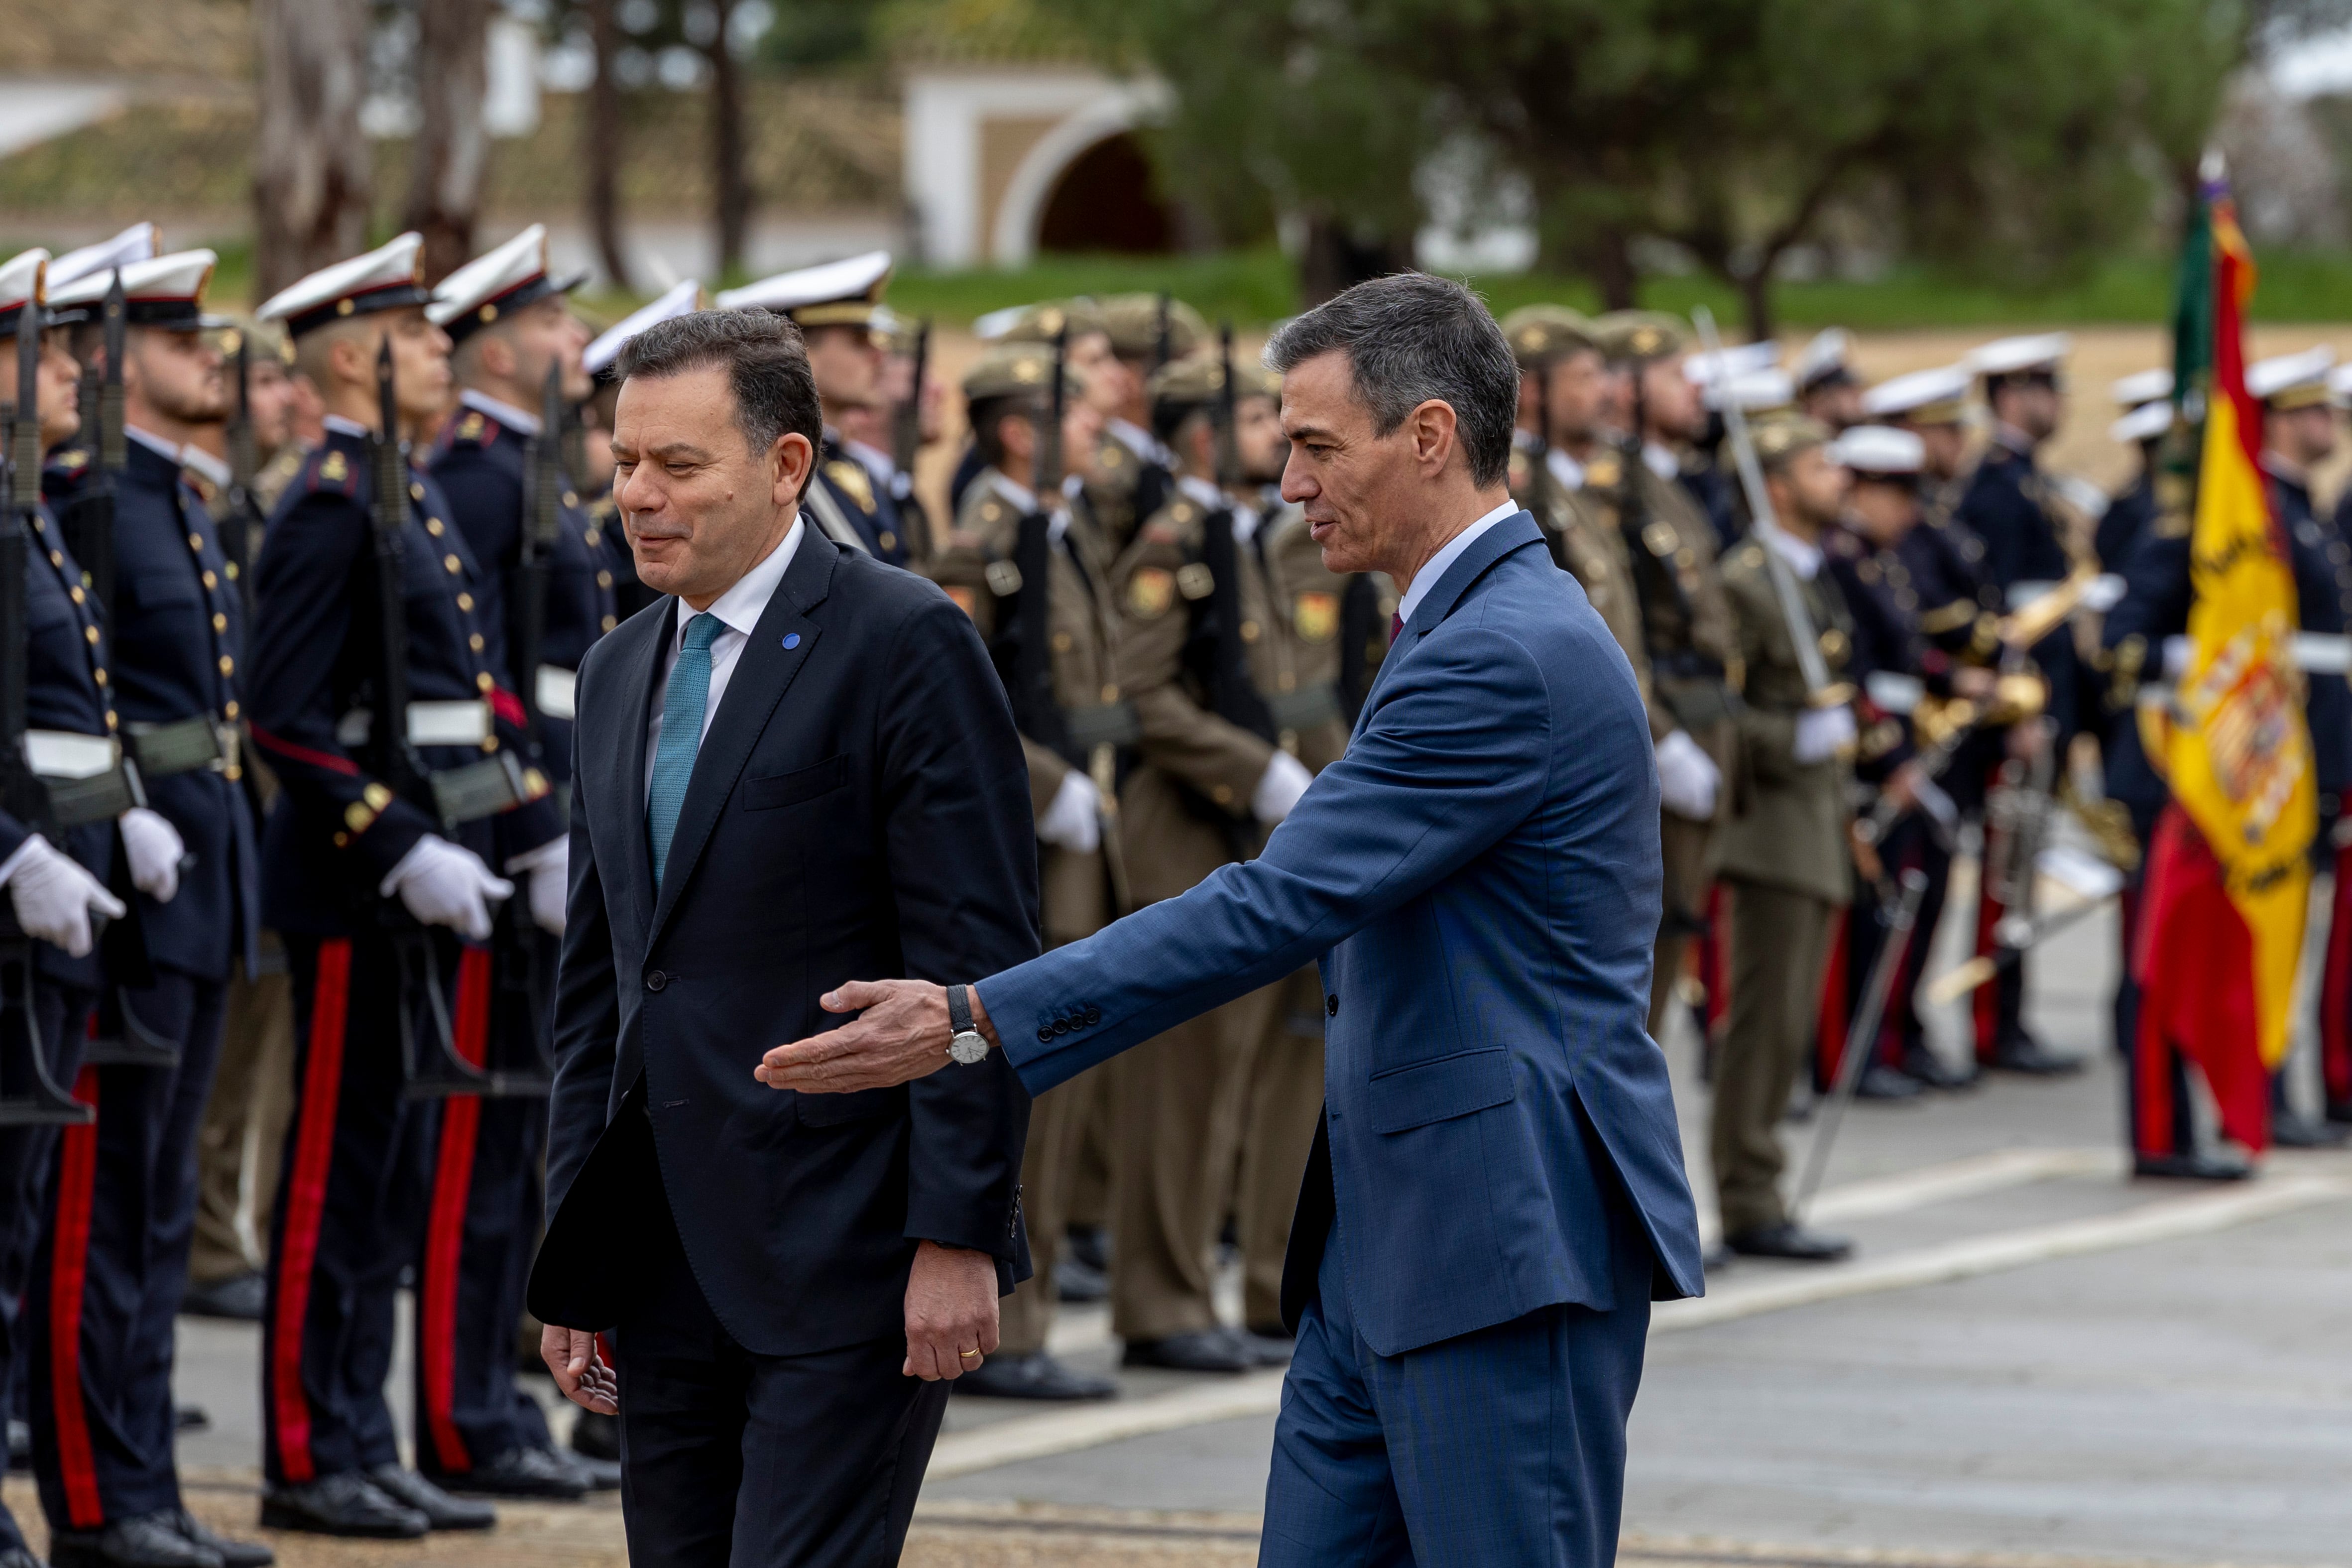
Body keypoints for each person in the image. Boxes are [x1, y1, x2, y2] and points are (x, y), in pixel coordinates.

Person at [758, 273, 1704, 1568]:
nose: (1289, 481)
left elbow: (1278, 898)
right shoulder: (1466, 625)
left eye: (1316, 445)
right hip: (1393, 1242)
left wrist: (979, 1016)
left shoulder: (1501, 649)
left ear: (1427, 436)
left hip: (1499, 1242)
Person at [526, 309, 1035, 1568]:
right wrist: (572, 1256)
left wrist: (958, 1232)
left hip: (845, 1250)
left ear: (787, 464)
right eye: (625, 461)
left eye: (678, 467)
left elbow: (975, 963)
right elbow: (599, 989)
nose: (636, 496)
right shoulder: (616, 667)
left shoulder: (902, 641)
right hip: (659, 1255)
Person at [247, 232, 567, 1539]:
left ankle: (361, 1435)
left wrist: (528, 816)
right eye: (420, 337)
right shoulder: (330, 500)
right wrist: (397, 842)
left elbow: (472, 687)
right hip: (347, 891)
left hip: (422, 883)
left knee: (377, 1184)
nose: (442, 351)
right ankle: (302, 1451)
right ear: (351, 357)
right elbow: (284, 717)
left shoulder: (404, 495)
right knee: (327, 1182)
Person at [31, 250, 271, 1568]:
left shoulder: (161, 499)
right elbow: (83, 709)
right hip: (113, 897)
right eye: (185, 344)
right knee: (98, 1217)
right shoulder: (88, 500)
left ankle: (148, 1487)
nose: (215, 365)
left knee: (157, 1210)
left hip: (191, 881)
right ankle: (93, 1496)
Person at [412, 225, 622, 1499]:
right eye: (553, 327)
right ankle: (457, 1409)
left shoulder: (528, 480)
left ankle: (487, 1410)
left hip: (536, 839)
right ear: (497, 342)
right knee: (470, 1156)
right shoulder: (481, 484)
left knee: (509, 1155)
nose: (575, 347)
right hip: (494, 852)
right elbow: (474, 696)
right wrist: (533, 822)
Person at [1083, 354, 1318, 1374]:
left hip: (1226, 831)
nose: (1279, 432)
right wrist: (1251, 770)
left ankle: (1198, 1287)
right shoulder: (1176, 537)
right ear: (1203, 434)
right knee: (1180, 1090)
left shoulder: (1228, 528)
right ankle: (1161, 1297)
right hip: (1178, 834)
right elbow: (1139, 693)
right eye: (1260, 416)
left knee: (1226, 1079)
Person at [919, 338, 1119, 1402]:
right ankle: (1016, 1321)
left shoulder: (1052, 528)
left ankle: (1031, 1316)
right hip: (1033, 834)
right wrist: (1051, 787)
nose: (1095, 429)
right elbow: (968, 698)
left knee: (1076, 1069)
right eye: (1076, 414)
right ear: (1017, 429)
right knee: (1032, 1062)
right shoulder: (985, 541)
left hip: (1087, 823)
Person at [0, 248, 156, 1568]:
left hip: (58, 911)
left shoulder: (32, 508)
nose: (72, 374)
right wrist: (13, 850)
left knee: (22, 1225)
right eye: (48, 355)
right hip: (18, 903)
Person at [1707, 415, 1861, 1263]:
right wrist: (1785, 737)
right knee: (1761, 1025)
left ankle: (1757, 1182)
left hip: (1811, 827)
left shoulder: (1803, 576)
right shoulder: (1747, 580)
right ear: (1773, 485)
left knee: (1787, 1024)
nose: (1834, 475)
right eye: (1815, 463)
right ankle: (1747, 1191)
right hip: (1768, 831)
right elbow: (1726, 710)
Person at [184, 319, 302, 1327]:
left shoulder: (247, 506)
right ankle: (209, 1237)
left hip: (254, 815)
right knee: (217, 1055)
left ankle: (220, 1228)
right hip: (221, 816)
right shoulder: (215, 508)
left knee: (252, 1046)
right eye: (260, 380)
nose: (274, 400)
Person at [1589, 312, 1741, 1041]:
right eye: (1676, 374)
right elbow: (1620, 638)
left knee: (1676, 945)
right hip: (1660, 725)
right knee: (1641, 970)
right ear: (1626, 388)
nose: (1697, 389)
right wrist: (1663, 738)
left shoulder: (1670, 485)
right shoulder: (1614, 492)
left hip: (1701, 719)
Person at [1817, 425, 1962, 1101]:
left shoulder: (1879, 560)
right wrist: (1895, 760)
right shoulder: (1841, 563)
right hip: (1870, 763)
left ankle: (1887, 1041)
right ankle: (1852, 1054)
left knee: (1897, 909)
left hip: (1899, 745)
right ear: (1859, 490)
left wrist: (1956, 679)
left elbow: (1906, 655)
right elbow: (1856, 673)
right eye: (1896, 493)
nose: (1909, 509)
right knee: (1865, 916)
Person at [1955, 334, 2083, 1077]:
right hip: (2015, 717)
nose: (2058, 402)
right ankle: (1992, 1022)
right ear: (2009, 397)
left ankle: (2010, 1015)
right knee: (2008, 872)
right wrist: (2025, 711)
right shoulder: (1998, 489)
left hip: (2041, 706)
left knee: (2023, 868)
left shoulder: (2026, 481)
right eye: (2045, 388)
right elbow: (2002, 615)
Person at [715, 251, 908, 565]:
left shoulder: (848, 465)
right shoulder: (774, 473)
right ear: (802, 353)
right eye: (859, 341)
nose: (879, 356)